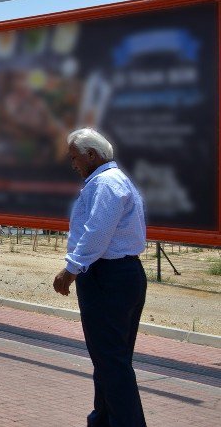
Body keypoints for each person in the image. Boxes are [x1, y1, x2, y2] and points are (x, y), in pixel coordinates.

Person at [53, 127, 147, 426]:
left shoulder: (105, 183)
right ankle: (104, 418)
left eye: (75, 158)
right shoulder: (114, 180)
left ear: (91, 155)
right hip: (122, 275)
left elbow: (98, 232)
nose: (73, 165)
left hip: (108, 277)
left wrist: (71, 269)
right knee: (110, 358)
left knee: (112, 361)